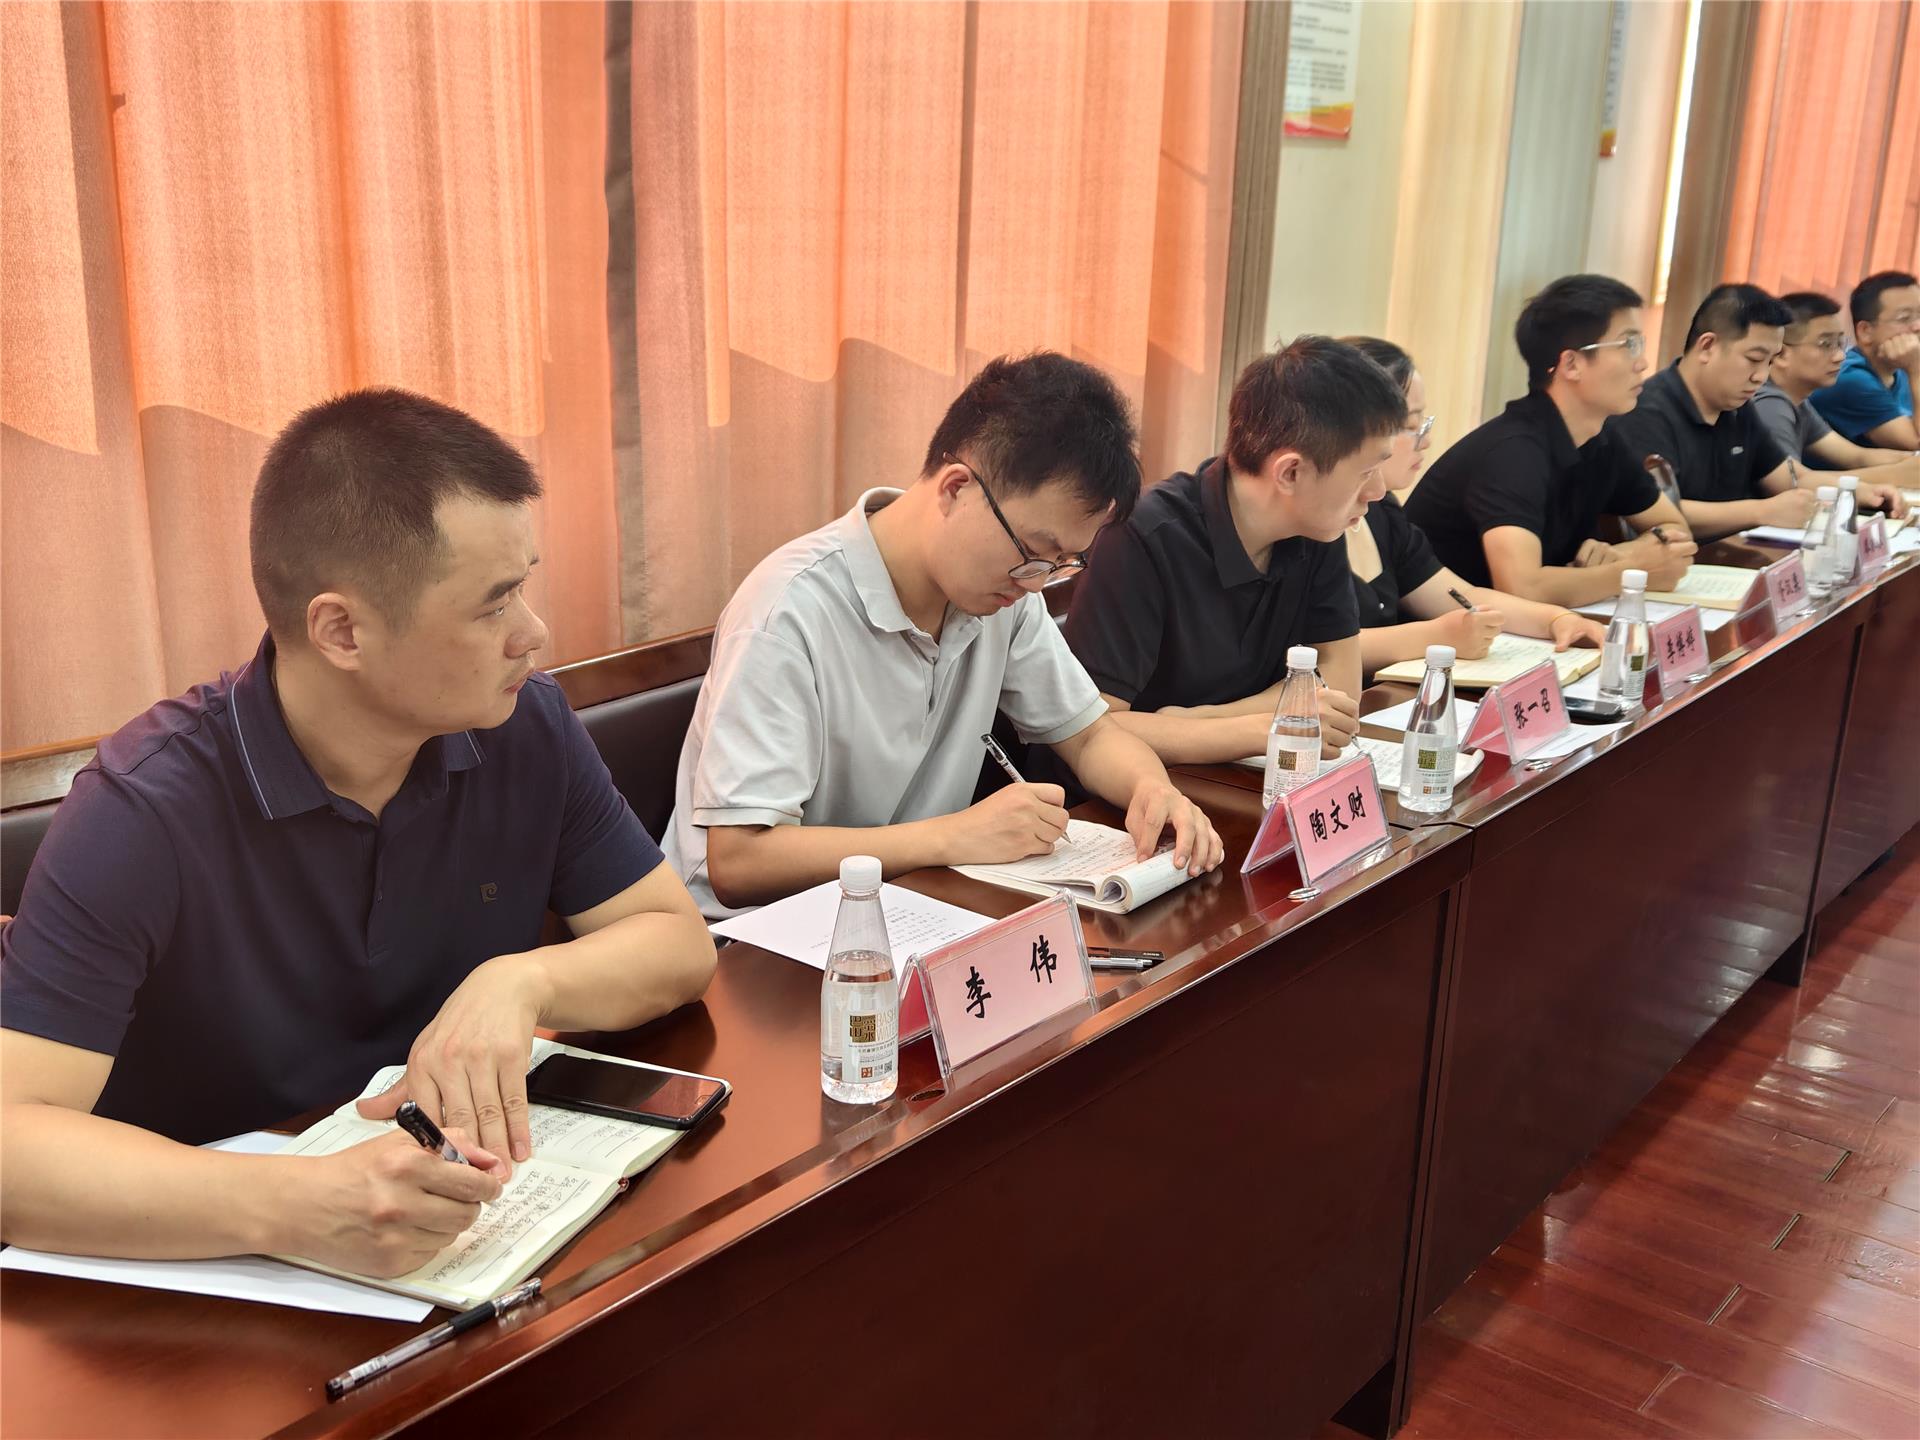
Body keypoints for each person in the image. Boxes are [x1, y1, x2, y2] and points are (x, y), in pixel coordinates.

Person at [1, 390, 718, 1278]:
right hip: (210, 1274)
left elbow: (676, 943)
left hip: (445, 1230)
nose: (533, 633)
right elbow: (13, 1144)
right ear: (342, 630)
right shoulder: (142, 807)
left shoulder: (523, 726)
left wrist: (522, 982)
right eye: (494, 604)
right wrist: (299, 1205)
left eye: (523, 586)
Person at [665, 352, 1223, 920]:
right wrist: (954, 836)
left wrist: (1152, 789)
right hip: (755, 939)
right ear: (956, 489)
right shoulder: (788, 611)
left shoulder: (1001, 596)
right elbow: (740, 862)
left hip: (911, 911)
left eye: (1062, 563)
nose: (1036, 583)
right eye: (1035, 552)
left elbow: (1088, 735)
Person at [1058, 336, 1396, 768]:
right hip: (1132, 790)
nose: (1378, 491)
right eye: (1366, 472)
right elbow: (1093, 729)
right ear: (1290, 472)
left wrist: (1199, 720)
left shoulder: (1317, 528)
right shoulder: (1144, 536)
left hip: (1237, 776)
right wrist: (1266, 724)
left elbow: (1340, 690)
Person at [1403, 274, 1695, 608]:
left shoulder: (1602, 438)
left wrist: (1622, 555)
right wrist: (1632, 571)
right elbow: (1520, 588)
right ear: (1571, 364)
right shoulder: (1512, 453)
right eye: (1628, 345)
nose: (1642, 363)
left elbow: (1676, 528)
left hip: (1529, 628)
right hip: (1448, 629)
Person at [1338, 337, 1607, 680]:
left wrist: (1554, 619)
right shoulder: (1312, 523)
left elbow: (1461, 595)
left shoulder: (1383, 512)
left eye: (1424, 423)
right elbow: (1320, 649)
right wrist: (1435, 636)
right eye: (1410, 426)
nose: (1426, 440)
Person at [1603, 284, 1830, 540]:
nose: (1761, 376)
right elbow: (1654, 512)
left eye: (1770, 362)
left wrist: (1855, 490)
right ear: (1708, 346)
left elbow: (1786, 478)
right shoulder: (1644, 412)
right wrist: (1761, 511)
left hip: (1732, 556)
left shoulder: (1739, 408)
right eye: (1754, 359)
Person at [1760, 290, 1920, 495]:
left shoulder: (1799, 401)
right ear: (1780, 353)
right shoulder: (1770, 404)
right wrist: (1898, 474)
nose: (1839, 356)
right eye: (1826, 344)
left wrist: (1910, 461)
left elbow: (1856, 456)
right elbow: (1791, 483)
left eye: (1840, 344)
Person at [1809, 270, 1920, 449]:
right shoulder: (1849, 378)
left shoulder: (1903, 368)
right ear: (1865, 331)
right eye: (1904, 318)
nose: (1917, 326)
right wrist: (1917, 370)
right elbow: (1915, 444)